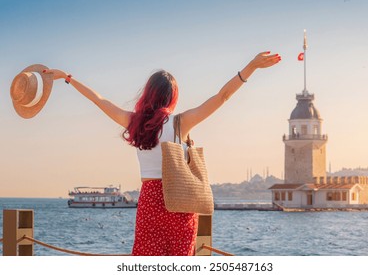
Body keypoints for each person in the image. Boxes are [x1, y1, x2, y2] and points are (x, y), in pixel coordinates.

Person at [44, 51, 281, 255]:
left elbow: (99, 100)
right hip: (179, 200)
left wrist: (67, 78)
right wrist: (251, 67)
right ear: (172, 96)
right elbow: (222, 96)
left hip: (150, 200)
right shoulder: (180, 123)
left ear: (149, 94)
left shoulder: (134, 122)